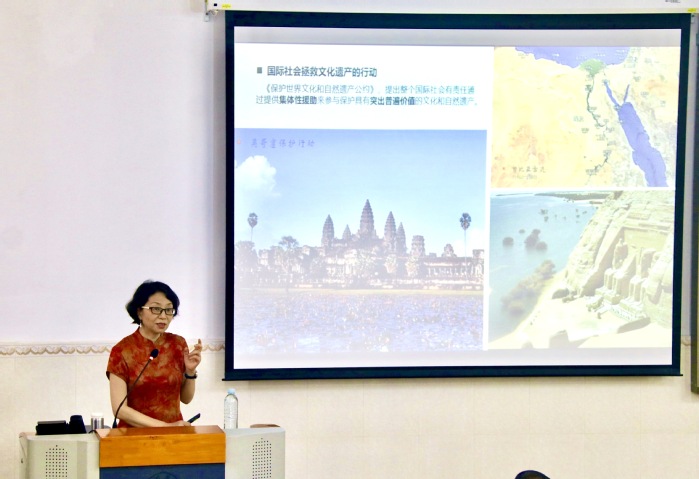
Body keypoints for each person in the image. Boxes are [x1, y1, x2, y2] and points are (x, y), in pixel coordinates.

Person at [107, 280, 203, 427]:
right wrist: (164, 427)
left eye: (169, 310)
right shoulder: (122, 351)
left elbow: (186, 398)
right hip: (134, 435)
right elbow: (119, 409)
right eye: (156, 309)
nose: (163, 316)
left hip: (173, 432)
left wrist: (190, 372)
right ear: (139, 311)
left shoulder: (178, 344)